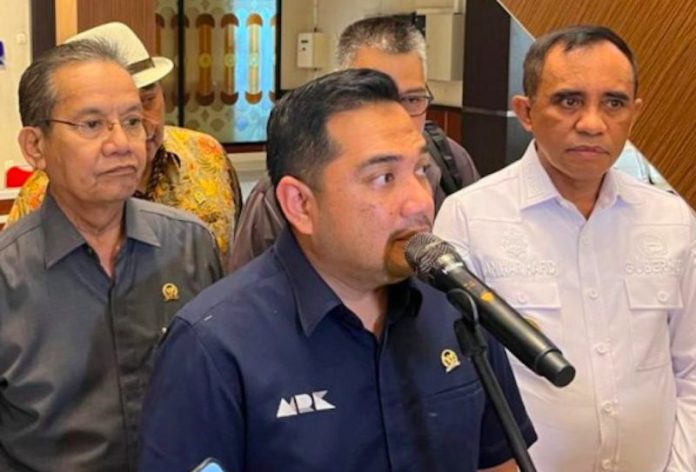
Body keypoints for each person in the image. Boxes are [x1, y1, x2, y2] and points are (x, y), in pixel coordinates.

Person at [138, 69, 535, 472]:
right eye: (383, 178)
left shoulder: (457, 307)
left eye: (420, 170)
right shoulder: (213, 347)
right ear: (300, 204)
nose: (419, 201)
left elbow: (499, 462)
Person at [434, 25, 696, 471]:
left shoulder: (670, 219)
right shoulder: (470, 218)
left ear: (634, 113)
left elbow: (690, 367)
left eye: (613, 103)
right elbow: (451, 376)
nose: (592, 124)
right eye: (569, 101)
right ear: (526, 111)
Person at [0, 39, 223, 471]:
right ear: (35, 146)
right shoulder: (8, 277)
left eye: (133, 121)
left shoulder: (190, 245)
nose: (121, 143)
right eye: (92, 124)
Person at [228, 16, 479, 271]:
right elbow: (252, 288)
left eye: (412, 100)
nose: (397, 117)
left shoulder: (452, 163)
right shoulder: (290, 191)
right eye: (374, 99)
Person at [6, 22, 242, 263]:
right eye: (93, 123)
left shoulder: (206, 153)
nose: (128, 136)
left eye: (144, 104)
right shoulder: (39, 196)